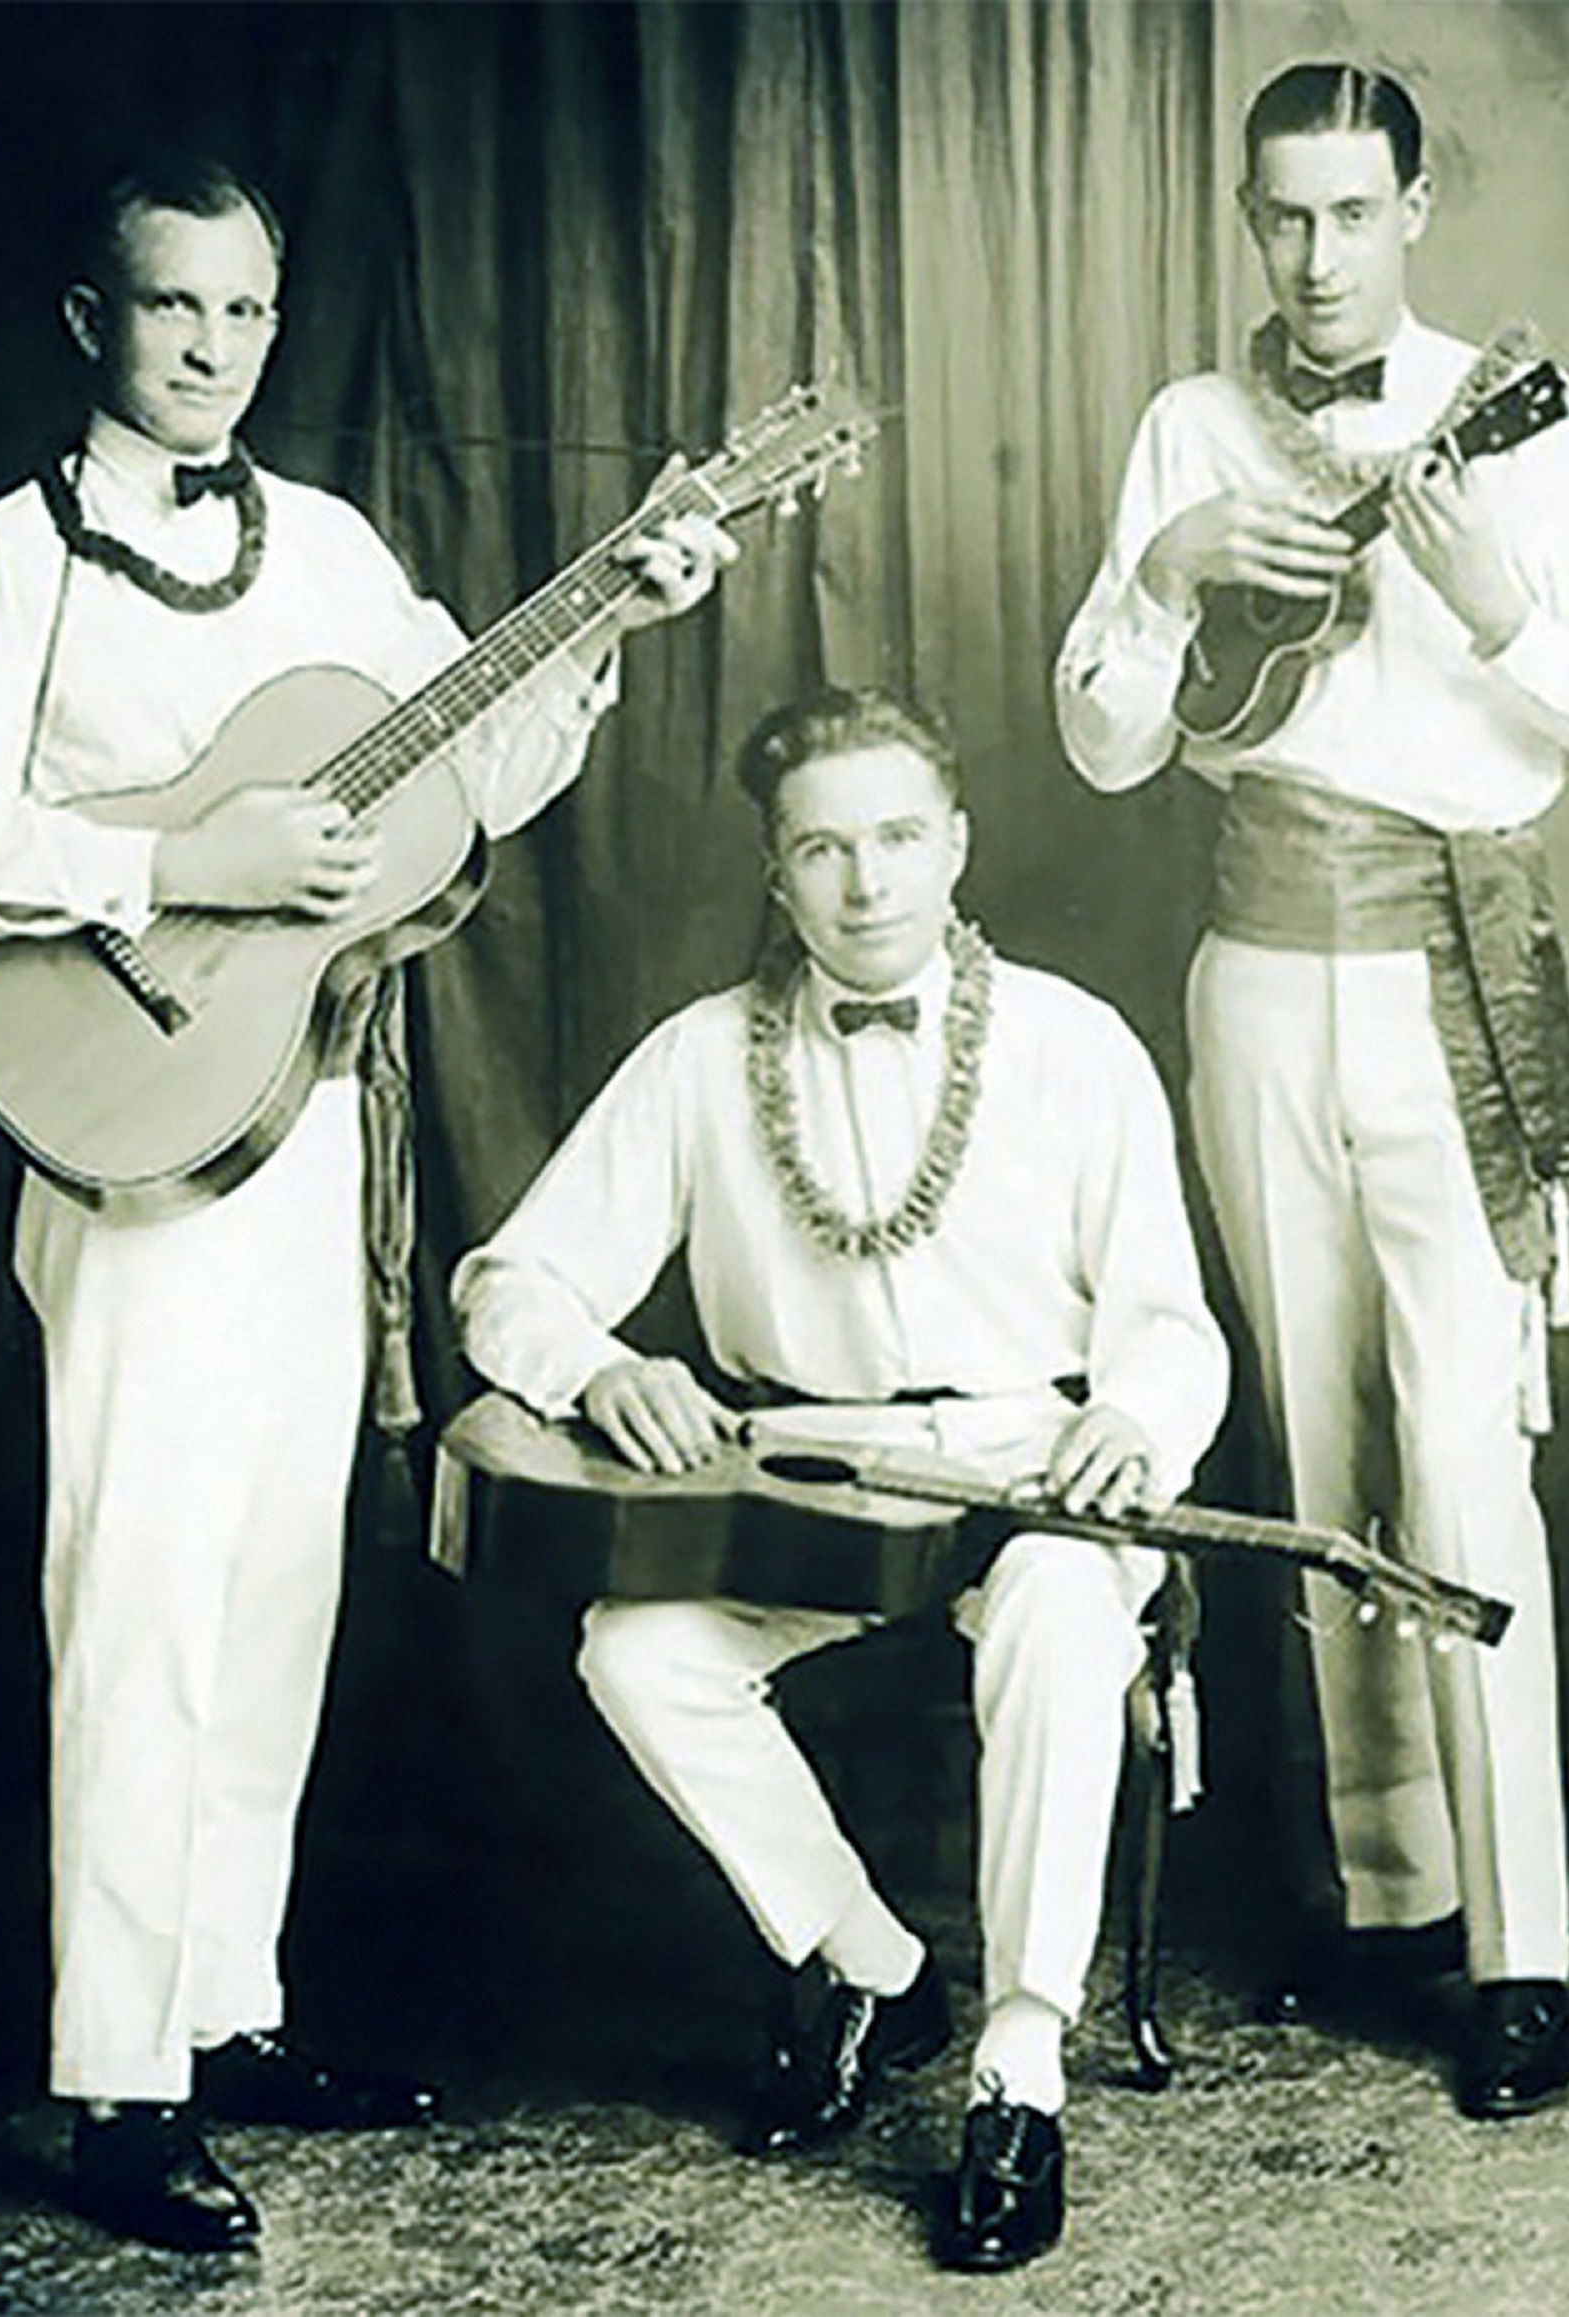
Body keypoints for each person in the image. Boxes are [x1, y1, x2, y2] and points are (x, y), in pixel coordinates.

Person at [0, 157, 733, 2252]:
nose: (215, 352)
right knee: (141, 1598)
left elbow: (468, 777)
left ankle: (225, 2010)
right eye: (173, 313)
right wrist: (179, 867)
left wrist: (608, 620)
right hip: (129, 1144)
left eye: (245, 316)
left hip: (306, 1127)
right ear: (92, 322)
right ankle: (113, 2082)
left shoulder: (330, 548)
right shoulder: (5, 564)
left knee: (269, 1598)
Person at [1055, 59, 1569, 2121]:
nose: (1313, 258)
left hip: (1452, 976)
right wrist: (1162, 573)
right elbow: (1104, 751)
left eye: (1350, 212)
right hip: (1250, 970)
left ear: (1418, 207)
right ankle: (1382, 1891)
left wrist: (1501, 606)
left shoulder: (1534, 421)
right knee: (1319, 1457)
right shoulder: (1187, 428)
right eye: (1279, 218)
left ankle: (1524, 1952)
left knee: (1470, 1465)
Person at [452, 687, 1230, 2274]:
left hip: (1029, 1461)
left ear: (953, 844)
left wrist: (1136, 1421)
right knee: (637, 1648)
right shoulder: (694, 1060)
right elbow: (504, 1282)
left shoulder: (1078, 1044)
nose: (864, 884)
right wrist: (602, 1367)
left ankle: (1018, 2068)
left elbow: (1171, 1320)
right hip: (797, 1478)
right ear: (776, 872)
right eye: (823, 848)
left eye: (893, 839)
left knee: (1064, 1616)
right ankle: (868, 1955)